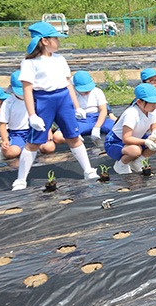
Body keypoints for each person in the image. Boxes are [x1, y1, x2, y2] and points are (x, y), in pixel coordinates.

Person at [12, 22, 99, 190]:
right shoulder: (30, 63)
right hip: (43, 101)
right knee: (34, 141)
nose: (58, 42)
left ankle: (88, 170)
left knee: (73, 136)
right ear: (45, 41)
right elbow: (27, 90)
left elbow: (68, 84)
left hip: (63, 100)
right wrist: (32, 115)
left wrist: (77, 106)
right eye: (55, 38)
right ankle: (21, 179)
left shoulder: (60, 59)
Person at [105, 83, 156, 174]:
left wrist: (155, 133)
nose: (155, 105)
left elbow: (155, 126)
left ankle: (138, 161)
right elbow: (126, 139)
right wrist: (145, 142)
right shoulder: (131, 114)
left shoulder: (152, 111)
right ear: (139, 102)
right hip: (116, 142)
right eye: (151, 103)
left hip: (136, 139)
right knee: (135, 150)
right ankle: (121, 165)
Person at [0, 73, 56, 160]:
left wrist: (48, 130)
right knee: (12, 152)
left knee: (49, 147)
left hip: (35, 130)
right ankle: (12, 149)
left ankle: (34, 148)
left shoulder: (36, 98)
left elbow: (44, 116)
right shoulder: (8, 103)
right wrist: (5, 140)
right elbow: (2, 124)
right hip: (17, 133)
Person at [52, 71, 115, 145]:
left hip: (98, 118)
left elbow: (103, 110)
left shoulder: (97, 91)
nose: (87, 92)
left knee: (120, 128)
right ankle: (78, 142)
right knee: (58, 136)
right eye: (83, 90)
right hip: (80, 121)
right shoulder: (71, 93)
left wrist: (97, 127)